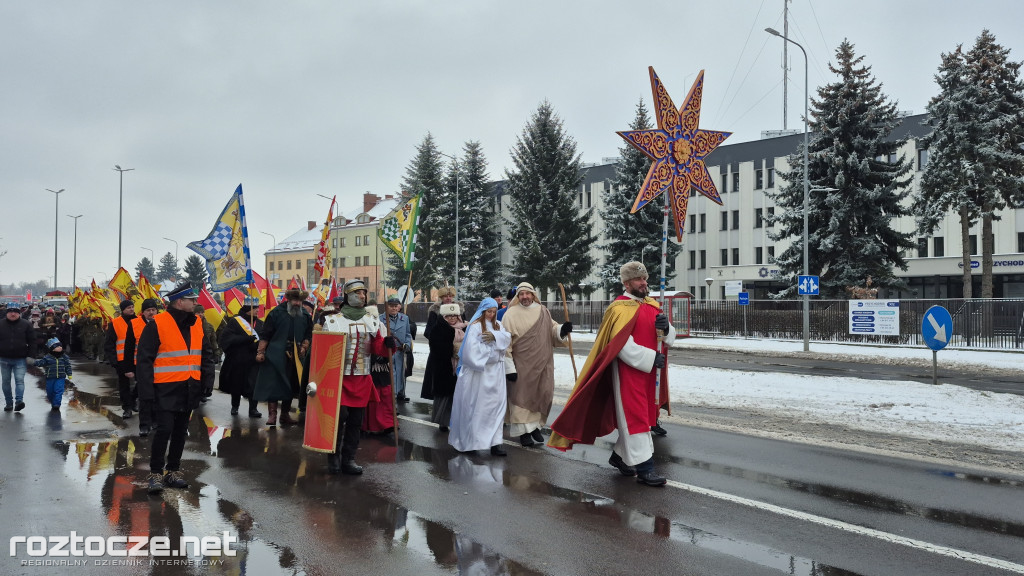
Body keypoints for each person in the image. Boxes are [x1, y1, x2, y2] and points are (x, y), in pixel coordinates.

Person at [547, 261, 675, 487]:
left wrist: (666, 329)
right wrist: (648, 358)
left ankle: (619, 457)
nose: (644, 282)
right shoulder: (618, 308)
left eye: (645, 278)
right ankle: (645, 469)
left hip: (648, 374)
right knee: (634, 416)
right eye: (638, 279)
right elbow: (620, 343)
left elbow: (664, 338)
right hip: (628, 371)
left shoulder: (653, 306)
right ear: (626, 283)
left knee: (644, 415)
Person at [136, 282, 216, 493]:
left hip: (189, 387)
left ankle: (173, 472)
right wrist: (146, 393)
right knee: (164, 430)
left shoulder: (197, 323)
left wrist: (207, 381)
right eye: (191, 300)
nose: (195, 302)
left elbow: (205, 354)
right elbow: (144, 360)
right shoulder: (156, 323)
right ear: (179, 302)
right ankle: (155, 474)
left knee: (181, 432)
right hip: (164, 388)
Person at [320, 280, 397, 474]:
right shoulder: (332, 321)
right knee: (339, 418)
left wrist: (389, 343)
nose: (362, 296)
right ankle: (333, 456)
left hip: (362, 378)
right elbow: (323, 353)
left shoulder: (372, 321)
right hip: (339, 378)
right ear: (348, 296)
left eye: (364, 293)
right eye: (358, 293)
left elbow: (380, 349)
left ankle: (349, 459)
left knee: (356, 421)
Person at [501, 281, 572, 446]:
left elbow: (552, 330)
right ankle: (523, 433)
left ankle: (534, 428)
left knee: (542, 394)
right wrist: (509, 367)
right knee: (520, 397)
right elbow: (505, 344)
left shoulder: (543, 311)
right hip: (521, 365)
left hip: (543, 364)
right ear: (518, 296)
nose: (525, 297)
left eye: (528, 293)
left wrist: (562, 330)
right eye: (521, 294)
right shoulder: (510, 314)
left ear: (533, 295)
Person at [449, 298, 512, 456]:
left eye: (493, 311)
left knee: (496, 407)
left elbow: (506, 339)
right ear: (483, 311)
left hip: (496, 374)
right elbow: (471, 351)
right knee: (478, 408)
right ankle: (472, 441)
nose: (491, 314)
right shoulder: (475, 326)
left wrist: (496, 338)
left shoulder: (498, 325)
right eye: (488, 311)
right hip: (480, 374)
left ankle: (495, 443)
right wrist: (494, 352)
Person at [253, 289, 312, 427]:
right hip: (276, 354)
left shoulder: (305, 315)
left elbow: (309, 334)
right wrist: (260, 352)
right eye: (295, 300)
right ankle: (272, 415)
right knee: (274, 384)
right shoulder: (276, 313)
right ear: (289, 300)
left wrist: (304, 346)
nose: (297, 303)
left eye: (300, 301)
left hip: (296, 356)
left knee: (290, 385)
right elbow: (266, 334)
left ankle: (284, 415)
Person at [217, 298, 263, 419]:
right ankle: (235, 406)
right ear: (248, 309)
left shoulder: (260, 323)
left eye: (258, 308)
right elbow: (225, 339)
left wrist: (258, 346)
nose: (258, 310)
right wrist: (245, 340)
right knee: (236, 385)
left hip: (254, 360)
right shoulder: (235, 322)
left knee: (254, 385)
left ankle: (253, 409)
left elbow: (264, 339)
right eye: (255, 308)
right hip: (238, 360)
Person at [422, 303, 464, 432]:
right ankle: (443, 421)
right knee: (444, 397)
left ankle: (457, 420)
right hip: (444, 367)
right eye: (449, 316)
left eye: (454, 316)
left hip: (460, 367)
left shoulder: (464, 328)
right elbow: (436, 349)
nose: (452, 318)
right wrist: (452, 350)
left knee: (459, 396)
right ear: (443, 316)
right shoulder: (437, 329)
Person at [105, 300, 140, 418]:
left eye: (132, 307)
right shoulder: (115, 323)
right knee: (124, 385)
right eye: (128, 307)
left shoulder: (139, 321)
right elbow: (109, 344)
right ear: (123, 310)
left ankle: (133, 398)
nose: (131, 309)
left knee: (141, 382)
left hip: (138, 359)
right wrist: (114, 361)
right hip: (122, 360)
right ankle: (127, 408)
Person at [132, 299, 161, 436]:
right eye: (148, 310)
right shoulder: (135, 324)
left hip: (161, 368)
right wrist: (127, 368)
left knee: (158, 396)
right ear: (142, 313)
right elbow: (128, 348)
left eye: (153, 310)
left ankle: (156, 421)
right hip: (142, 366)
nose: (151, 312)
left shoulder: (162, 324)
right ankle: (144, 425)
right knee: (145, 397)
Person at [1, 302, 36, 412]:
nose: (13, 314)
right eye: (10, 311)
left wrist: (31, 356)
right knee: (6, 382)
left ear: (19, 313)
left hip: (20, 359)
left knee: (19, 380)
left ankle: (19, 401)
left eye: (15, 312)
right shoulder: (0, 324)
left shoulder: (26, 324)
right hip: (4, 358)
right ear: (7, 313)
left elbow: (32, 341)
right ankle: (9, 403)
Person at [381, 297, 412, 403]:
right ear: (387, 307)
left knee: (400, 375)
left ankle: (398, 395)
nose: (393, 308)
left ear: (399, 307)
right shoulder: (381, 319)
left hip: (400, 352)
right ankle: (391, 401)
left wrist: (407, 344)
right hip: (387, 352)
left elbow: (408, 334)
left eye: (395, 306)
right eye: (391, 306)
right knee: (390, 375)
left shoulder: (405, 318)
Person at [36, 337, 72, 411]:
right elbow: (41, 363)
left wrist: (69, 374)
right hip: (50, 377)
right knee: (50, 391)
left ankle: (56, 404)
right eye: (57, 346)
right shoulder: (47, 357)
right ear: (52, 348)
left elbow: (68, 366)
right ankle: (52, 401)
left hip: (61, 377)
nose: (60, 348)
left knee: (58, 390)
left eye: (60, 346)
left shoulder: (64, 357)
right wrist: (34, 362)